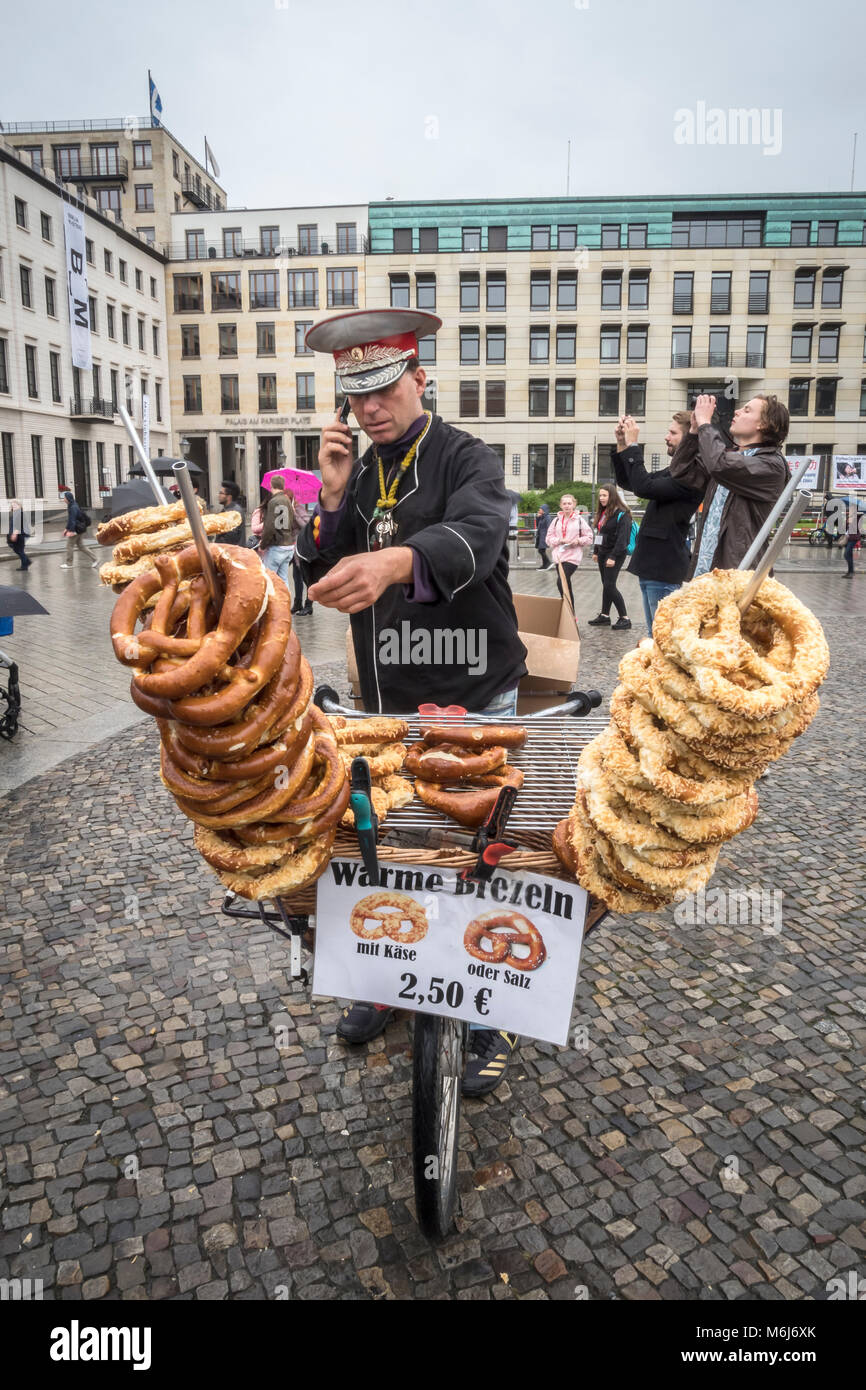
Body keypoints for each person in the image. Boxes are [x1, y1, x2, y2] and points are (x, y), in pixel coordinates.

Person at [296, 307, 528, 1096]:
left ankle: (489, 1012)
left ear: (419, 379)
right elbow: (315, 570)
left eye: (384, 390)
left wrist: (396, 561)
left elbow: (477, 540)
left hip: (475, 691)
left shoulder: (470, 457)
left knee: (479, 864)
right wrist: (329, 504)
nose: (369, 409)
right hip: (387, 697)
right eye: (355, 397)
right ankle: (389, 981)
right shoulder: (357, 472)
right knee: (384, 846)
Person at [668, 394, 790, 577]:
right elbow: (681, 470)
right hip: (706, 571)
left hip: (739, 575)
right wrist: (694, 431)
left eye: (747, 410)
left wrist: (705, 424)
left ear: (764, 424)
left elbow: (719, 465)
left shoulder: (772, 465)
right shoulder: (731, 458)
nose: (737, 412)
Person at [613, 412, 704, 633]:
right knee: (655, 633)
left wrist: (634, 446)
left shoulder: (692, 474)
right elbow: (630, 482)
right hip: (652, 565)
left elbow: (644, 487)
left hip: (663, 568)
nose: (666, 437)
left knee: (662, 636)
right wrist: (622, 444)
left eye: (673, 433)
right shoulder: (675, 470)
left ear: (690, 439)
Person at [587, 484, 632, 629]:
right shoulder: (604, 512)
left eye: (604, 495)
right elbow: (600, 533)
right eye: (600, 495)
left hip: (615, 553)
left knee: (609, 585)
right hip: (602, 552)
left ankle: (625, 618)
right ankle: (605, 616)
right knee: (606, 585)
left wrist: (613, 556)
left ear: (612, 496)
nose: (601, 498)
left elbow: (622, 539)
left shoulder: (622, 514)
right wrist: (596, 551)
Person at [546, 494, 594, 608]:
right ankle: (570, 614)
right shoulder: (556, 520)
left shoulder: (580, 520)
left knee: (561, 582)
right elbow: (548, 539)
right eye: (564, 503)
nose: (567, 506)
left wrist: (578, 541)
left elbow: (589, 538)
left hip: (573, 557)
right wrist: (560, 540)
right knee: (566, 585)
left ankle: (567, 610)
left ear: (574, 504)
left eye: (569, 503)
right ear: (561, 505)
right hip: (559, 557)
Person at [260, 476, 305, 588]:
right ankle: (285, 603)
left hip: (277, 545)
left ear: (271, 486)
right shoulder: (287, 501)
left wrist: (263, 544)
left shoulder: (273, 501)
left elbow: (270, 527)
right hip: (288, 545)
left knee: (268, 579)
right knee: (283, 579)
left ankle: (271, 604)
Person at [58, 486, 99, 569]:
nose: (64, 499)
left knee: (69, 545)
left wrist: (71, 531)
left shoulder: (73, 507)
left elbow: (72, 520)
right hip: (80, 529)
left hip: (76, 529)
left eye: (64, 498)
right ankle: (95, 559)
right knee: (81, 546)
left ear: (68, 499)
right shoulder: (73, 505)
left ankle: (69, 563)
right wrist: (66, 529)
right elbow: (71, 520)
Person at [217, 480, 245, 546]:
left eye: (221, 493)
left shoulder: (235, 512)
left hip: (233, 552)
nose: (219, 495)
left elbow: (231, 537)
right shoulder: (226, 509)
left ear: (229, 497)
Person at [6, 500, 31, 571]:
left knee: (19, 550)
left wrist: (14, 534)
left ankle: (27, 562)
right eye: (12, 505)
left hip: (19, 535)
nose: (13, 506)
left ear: (20, 506)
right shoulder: (16, 513)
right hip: (18, 535)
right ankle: (25, 565)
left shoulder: (19, 514)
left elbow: (18, 526)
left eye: (15, 505)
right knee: (19, 550)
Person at [535, 503, 552, 568]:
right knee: (541, 550)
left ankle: (547, 563)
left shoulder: (547, 517)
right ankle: (545, 564)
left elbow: (549, 527)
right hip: (540, 536)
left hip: (544, 536)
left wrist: (548, 536)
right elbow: (537, 525)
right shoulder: (542, 517)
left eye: (541, 508)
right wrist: (538, 517)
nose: (539, 510)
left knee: (541, 550)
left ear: (544, 510)